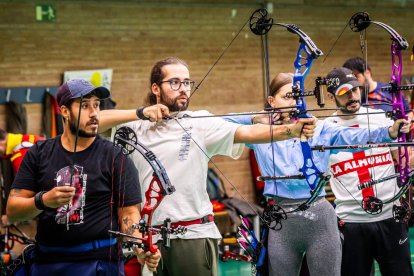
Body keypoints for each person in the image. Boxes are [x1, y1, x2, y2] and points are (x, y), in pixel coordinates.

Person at [98, 57, 317, 276]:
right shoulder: (134, 127)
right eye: (174, 82)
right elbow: (92, 121)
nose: (183, 89)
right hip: (150, 242)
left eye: (186, 83)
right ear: (156, 88)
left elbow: (248, 133)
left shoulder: (200, 121)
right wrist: (140, 113)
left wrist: (291, 130)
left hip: (192, 236)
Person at [225, 70, 410, 276]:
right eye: (287, 96)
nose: (294, 102)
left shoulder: (318, 128)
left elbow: (352, 137)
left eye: (298, 96)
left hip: (320, 218)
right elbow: (219, 125)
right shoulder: (258, 131)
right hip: (282, 219)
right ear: (272, 101)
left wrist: (388, 132)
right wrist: (255, 118)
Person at [6, 79, 160, 275]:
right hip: (48, 264)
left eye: (96, 105)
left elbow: (129, 214)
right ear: (64, 111)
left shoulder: (115, 156)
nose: (94, 113)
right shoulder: (39, 153)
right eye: (85, 106)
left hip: (100, 263)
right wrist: (43, 201)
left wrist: (139, 246)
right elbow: (13, 211)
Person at [324, 67, 413, 275]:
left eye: (355, 90)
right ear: (330, 96)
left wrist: (408, 143)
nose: (353, 97)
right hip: (351, 224)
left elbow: (406, 161)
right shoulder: (324, 129)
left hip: (391, 218)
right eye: (344, 93)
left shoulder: (381, 117)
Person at [343, 56, 413, 119]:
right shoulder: (353, 98)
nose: (353, 82)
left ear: (367, 72)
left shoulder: (389, 89)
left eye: (356, 76)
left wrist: (407, 123)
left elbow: (408, 113)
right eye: (350, 79)